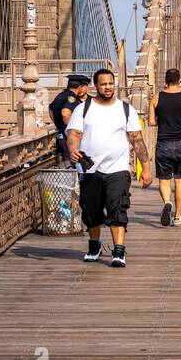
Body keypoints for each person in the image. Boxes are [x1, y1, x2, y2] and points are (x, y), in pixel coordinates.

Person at [67, 68, 152, 267]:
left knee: (118, 208)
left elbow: (137, 140)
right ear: (95, 86)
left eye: (111, 83)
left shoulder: (125, 109)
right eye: (103, 84)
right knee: (92, 211)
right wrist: (72, 149)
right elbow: (74, 135)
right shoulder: (83, 108)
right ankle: (95, 245)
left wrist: (146, 168)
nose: (108, 87)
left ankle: (119, 251)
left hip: (118, 169)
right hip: (90, 169)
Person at [148, 67, 181, 227]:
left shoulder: (156, 97)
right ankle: (177, 216)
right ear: (179, 80)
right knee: (180, 181)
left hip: (164, 143)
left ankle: (167, 202)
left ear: (166, 81)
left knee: (164, 180)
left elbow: (151, 122)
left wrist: (163, 121)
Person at [48, 74, 90, 162]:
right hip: (67, 138)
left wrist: (57, 123)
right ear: (80, 86)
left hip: (61, 136)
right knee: (74, 165)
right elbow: (65, 113)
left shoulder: (61, 95)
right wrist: (74, 129)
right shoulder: (71, 97)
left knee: (68, 165)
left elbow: (50, 108)